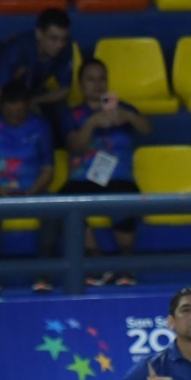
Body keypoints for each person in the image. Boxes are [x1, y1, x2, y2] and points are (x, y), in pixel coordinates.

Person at [61, 58, 151, 287]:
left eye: (102, 79)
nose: (97, 84)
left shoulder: (123, 109)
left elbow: (147, 130)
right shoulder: (73, 115)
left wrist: (128, 116)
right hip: (84, 177)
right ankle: (97, 262)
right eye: (90, 80)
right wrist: (91, 123)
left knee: (124, 198)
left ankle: (125, 265)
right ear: (81, 84)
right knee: (66, 200)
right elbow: (75, 147)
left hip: (118, 177)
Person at [0, 81, 56, 294]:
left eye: (20, 113)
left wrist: (33, 191)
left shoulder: (40, 126)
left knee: (54, 212)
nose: (14, 118)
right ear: (1, 107)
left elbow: (48, 168)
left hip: (32, 189)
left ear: (27, 107)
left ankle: (43, 275)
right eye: (9, 113)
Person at [0, 9, 72, 125]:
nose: (59, 45)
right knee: (10, 118)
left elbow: (64, 91)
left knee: (59, 112)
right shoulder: (15, 50)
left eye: (63, 39)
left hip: (21, 85)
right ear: (39, 34)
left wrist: (34, 101)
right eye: (53, 39)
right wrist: (23, 110)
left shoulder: (65, 48)